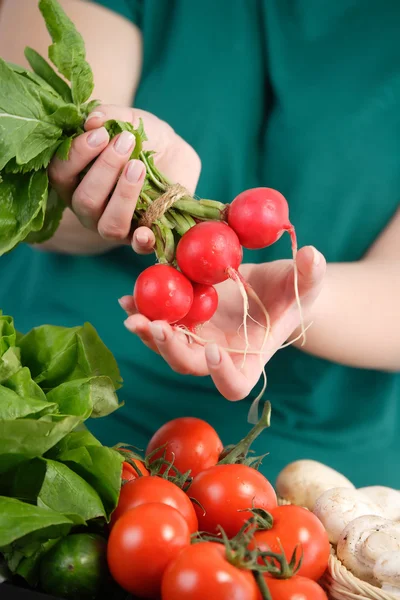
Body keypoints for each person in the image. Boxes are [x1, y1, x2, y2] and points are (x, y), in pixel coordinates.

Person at [0, 0, 399, 487]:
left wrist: (298, 299)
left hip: (312, 470)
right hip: (56, 406)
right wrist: (114, 175)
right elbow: (41, 188)